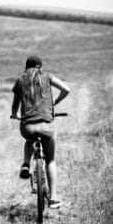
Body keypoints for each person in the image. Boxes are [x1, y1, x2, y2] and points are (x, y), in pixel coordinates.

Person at [10, 56, 71, 209]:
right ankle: (54, 198)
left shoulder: (20, 80)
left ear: (26, 68)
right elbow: (66, 89)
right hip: (46, 127)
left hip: (28, 127)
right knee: (50, 160)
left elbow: (14, 106)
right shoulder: (47, 76)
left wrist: (15, 115)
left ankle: (26, 164)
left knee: (29, 140)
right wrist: (55, 103)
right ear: (40, 67)